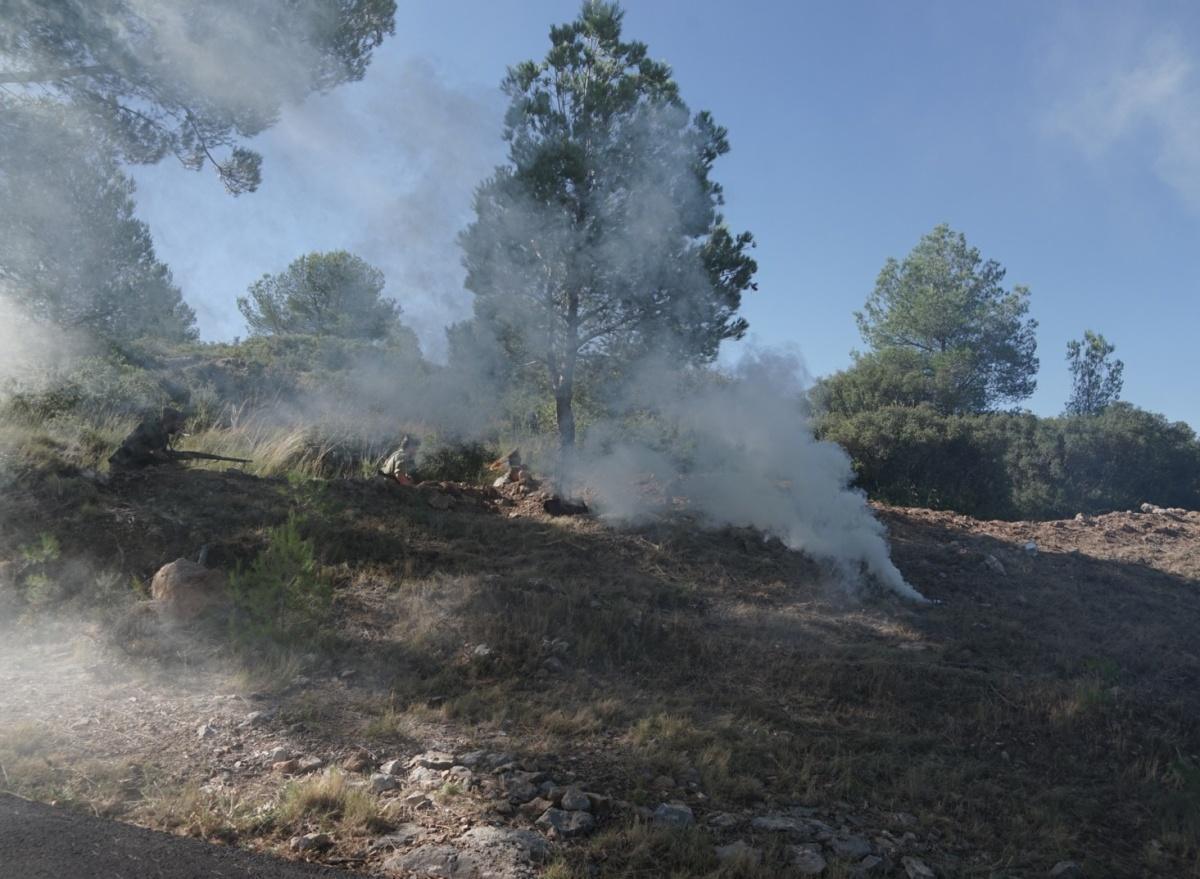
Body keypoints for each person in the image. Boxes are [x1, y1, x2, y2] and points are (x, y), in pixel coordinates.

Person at [108, 408, 187, 472]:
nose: (179, 427)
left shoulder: (164, 436)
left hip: (136, 465)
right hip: (121, 463)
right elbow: (129, 443)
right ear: (169, 421)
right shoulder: (148, 427)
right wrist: (152, 452)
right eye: (178, 424)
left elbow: (161, 454)